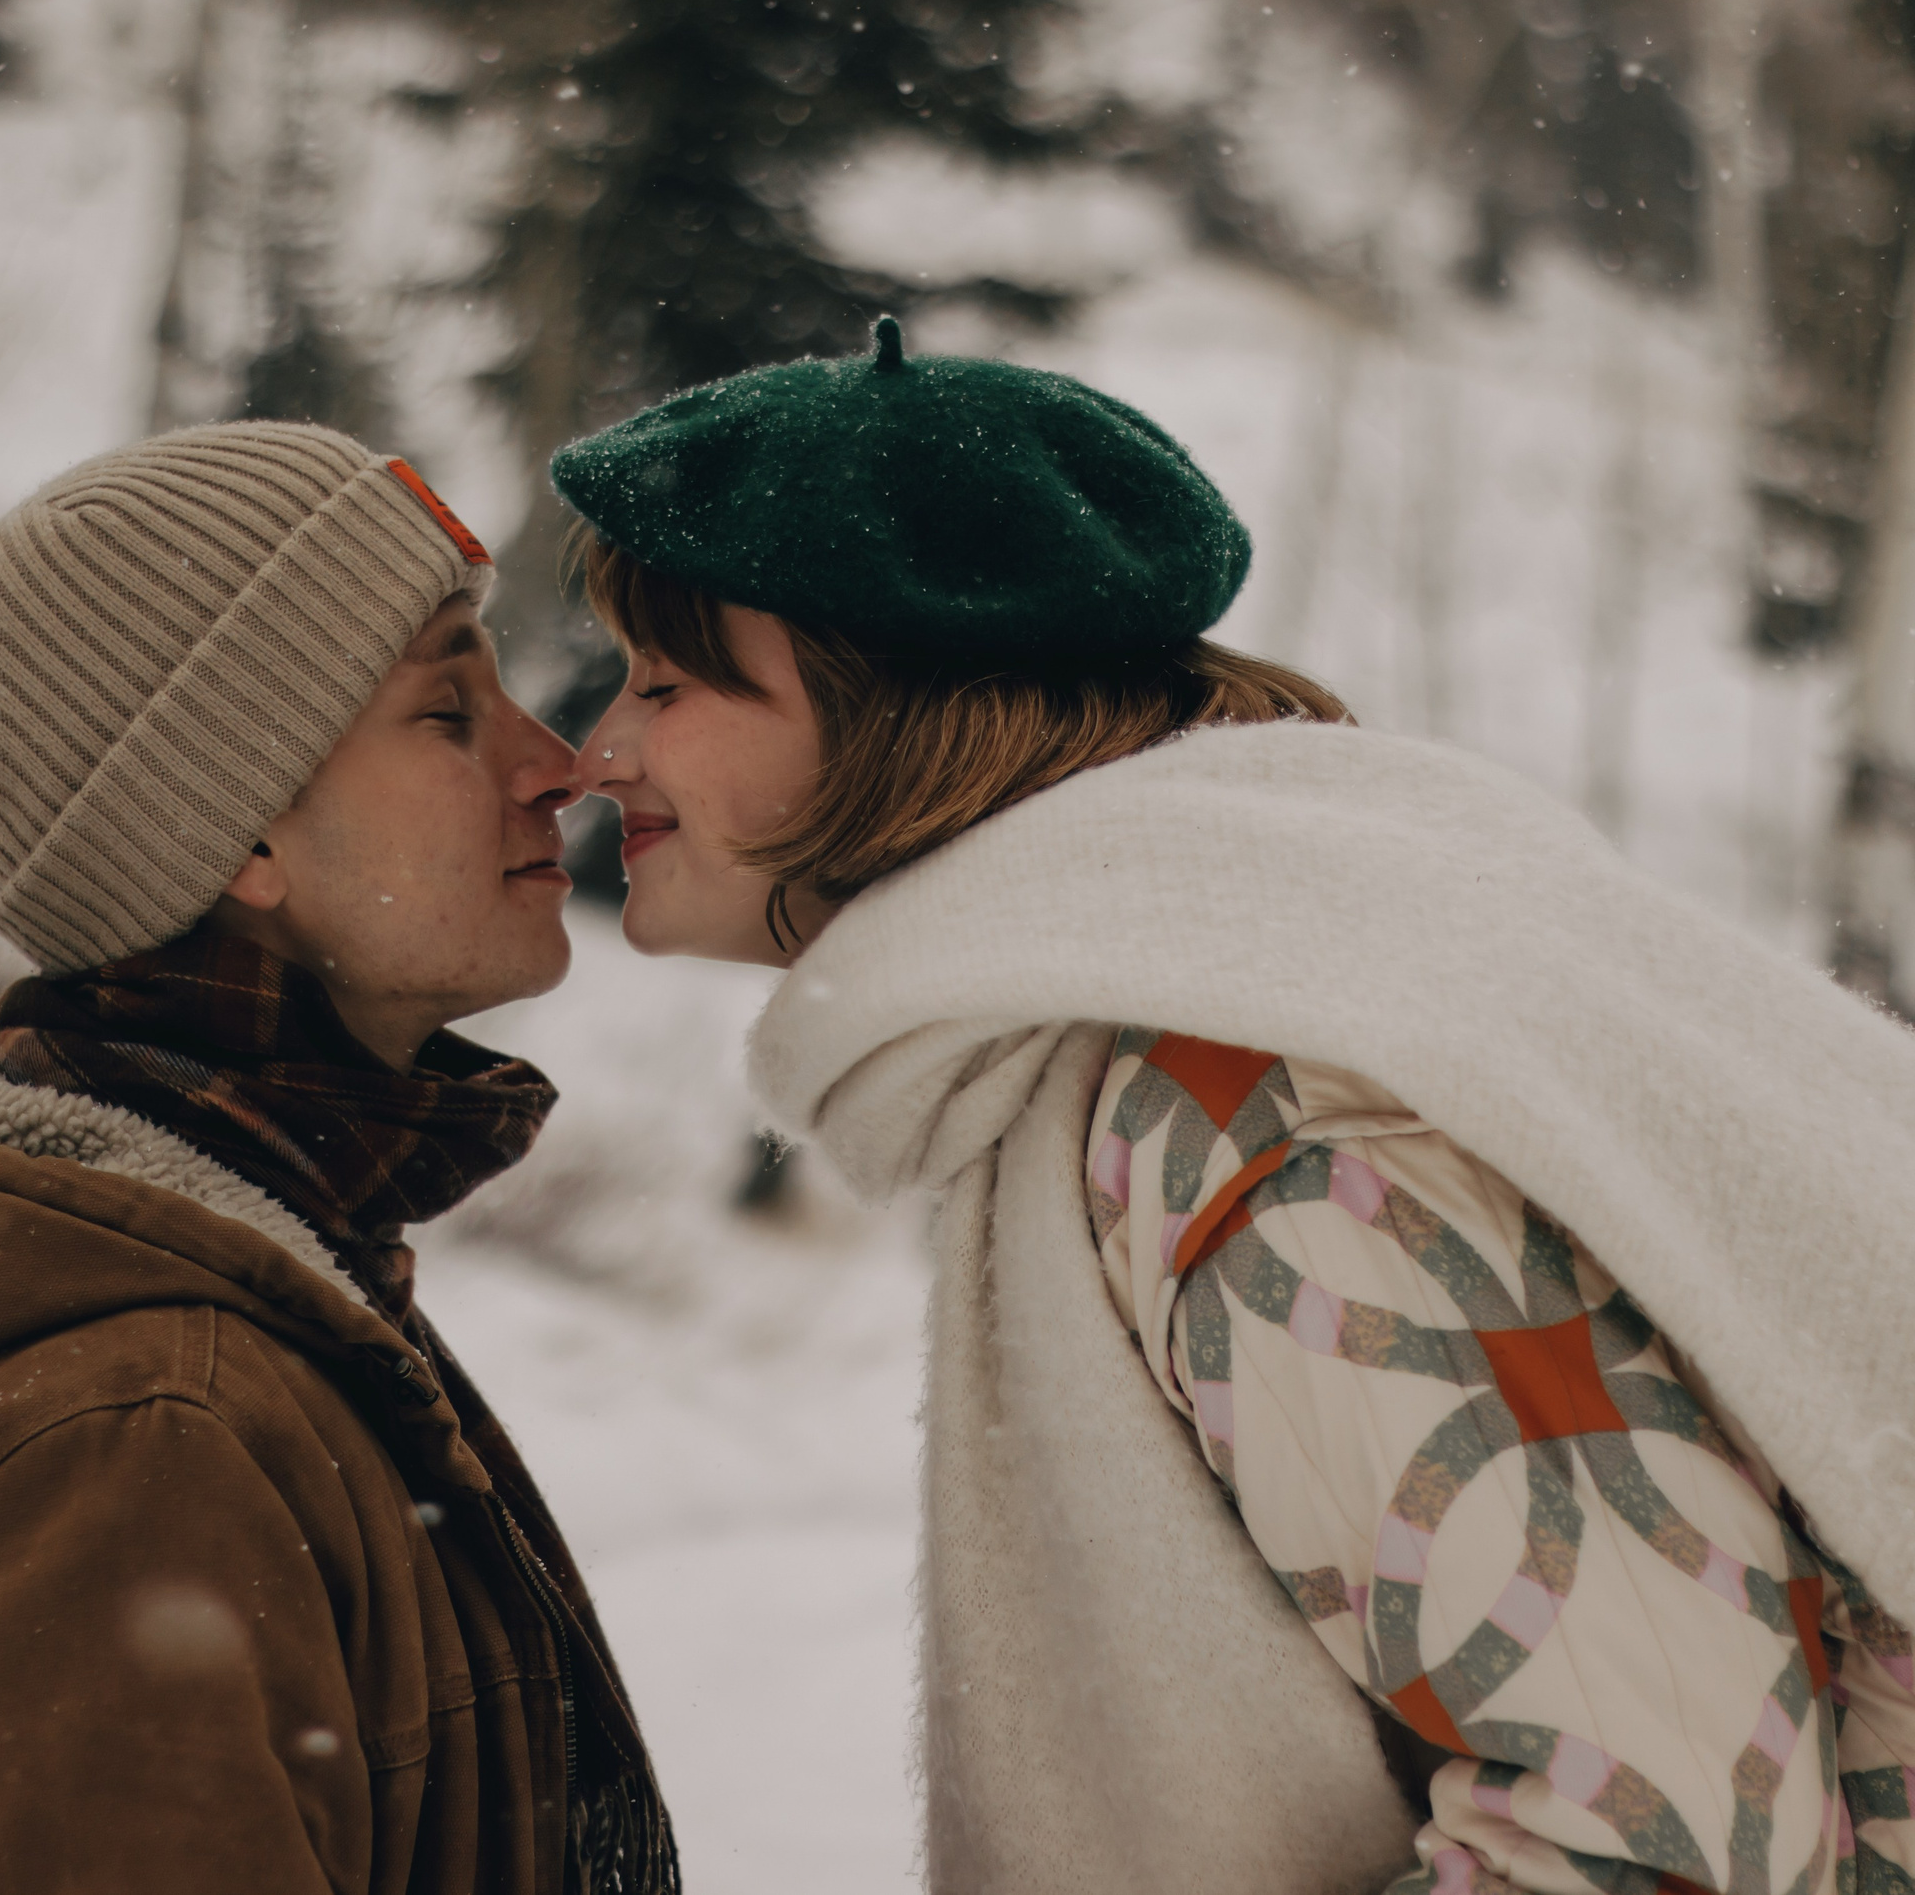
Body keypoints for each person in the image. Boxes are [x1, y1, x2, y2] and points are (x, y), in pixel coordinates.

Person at [551, 319, 1915, 1895]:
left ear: (894, 713)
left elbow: (1670, 1838)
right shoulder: (1233, 1002)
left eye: (668, 682)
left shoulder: (1263, 1128)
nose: (603, 751)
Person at [0, 423, 677, 1895]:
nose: (554, 764)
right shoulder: (135, 1443)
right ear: (243, 835)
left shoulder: (240, 1309)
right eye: (449, 710)